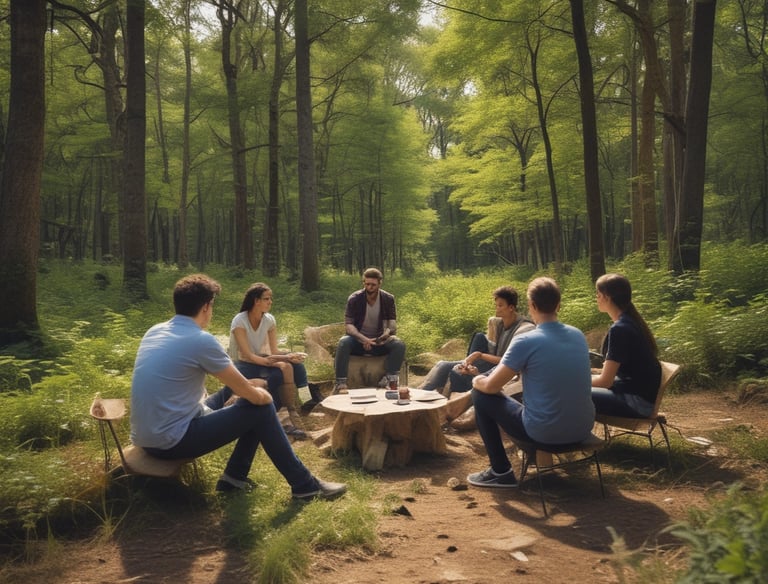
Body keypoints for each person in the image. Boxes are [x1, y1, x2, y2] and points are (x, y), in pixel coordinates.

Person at [130, 273, 346, 499]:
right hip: (171, 440)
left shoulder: (154, 331)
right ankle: (305, 485)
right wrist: (264, 396)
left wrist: (251, 390)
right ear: (206, 306)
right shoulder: (201, 339)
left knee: (236, 395)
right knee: (260, 407)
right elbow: (249, 386)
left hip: (146, 435)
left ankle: (233, 479)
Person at [466, 277, 595, 488]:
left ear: (531, 306)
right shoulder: (578, 335)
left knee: (480, 395)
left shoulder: (526, 340)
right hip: (583, 428)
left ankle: (501, 471)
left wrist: (477, 379)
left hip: (545, 432)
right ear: (559, 305)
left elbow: (491, 387)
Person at [420, 286, 535, 395]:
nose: (496, 309)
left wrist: (479, 355)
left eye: (500, 306)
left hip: (500, 368)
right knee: (445, 363)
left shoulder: (522, 329)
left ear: (511, 308)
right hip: (491, 361)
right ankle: (421, 393)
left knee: (445, 367)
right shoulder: (500, 323)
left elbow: (509, 362)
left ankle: (421, 395)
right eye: (496, 305)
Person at [228, 282, 308, 438]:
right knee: (281, 370)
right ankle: (281, 416)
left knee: (296, 366)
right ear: (256, 301)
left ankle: (306, 400)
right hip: (244, 363)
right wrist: (283, 358)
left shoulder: (269, 320)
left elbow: (274, 351)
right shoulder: (240, 320)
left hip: (262, 358)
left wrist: (290, 355)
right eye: (267, 299)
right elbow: (248, 355)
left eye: (270, 299)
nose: (270, 302)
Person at [591, 273, 662, 418]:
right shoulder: (629, 321)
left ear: (607, 297)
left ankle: (574, 436)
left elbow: (605, 381)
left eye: (597, 295)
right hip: (635, 395)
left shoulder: (620, 329)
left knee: (570, 392)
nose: (596, 299)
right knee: (579, 384)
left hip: (637, 403)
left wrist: (575, 382)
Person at [333, 267, 406, 393]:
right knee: (343, 342)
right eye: (367, 284)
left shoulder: (388, 299)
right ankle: (341, 382)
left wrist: (382, 337)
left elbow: (392, 325)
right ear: (363, 283)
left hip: (379, 341)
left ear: (379, 283)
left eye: (373, 284)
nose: (370, 287)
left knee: (399, 344)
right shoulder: (354, 298)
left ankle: (390, 379)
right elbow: (349, 326)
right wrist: (364, 339)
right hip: (358, 341)